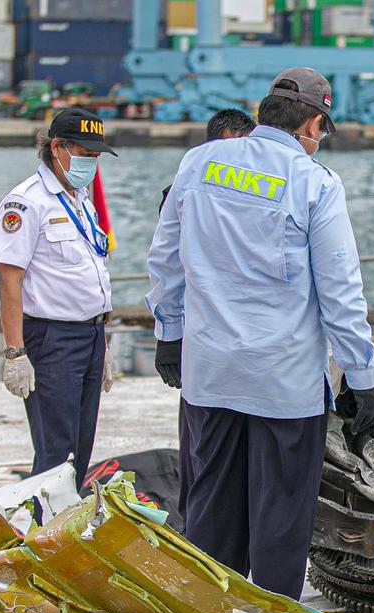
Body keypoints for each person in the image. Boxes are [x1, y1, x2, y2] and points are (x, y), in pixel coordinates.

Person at [145, 68, 374, 599]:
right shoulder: (315, 182)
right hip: (284, 383)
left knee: (210, 506)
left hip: (210, 373)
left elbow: (165, 260)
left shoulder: (200, 162)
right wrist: (361, 376)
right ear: (314, 124)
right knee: (281, 515)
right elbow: (341, 291)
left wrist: (169, 333)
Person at [0, 108, 117, 485]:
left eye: (95, 156)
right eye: (84, 154)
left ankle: (67, 518)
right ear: (57, 148)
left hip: (91, 335)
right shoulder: (26, 202)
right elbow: (9, 279)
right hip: (53, 338)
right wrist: (15, 353)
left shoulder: (81, 199)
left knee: (81, 448)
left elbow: (91, 272)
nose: (91, 163)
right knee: (56, 454)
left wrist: (103, 343)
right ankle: (43, 520)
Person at [154, 107, 257, 528]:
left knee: (249, 459)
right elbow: (167, 268)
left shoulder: (262, 195)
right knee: (200, 454)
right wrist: (168, 335)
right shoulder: (183, 191)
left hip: (253, 347)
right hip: (203, 342)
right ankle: (196, 534)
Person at [158, 108, 257, 212]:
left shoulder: (258, 191)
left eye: (247, 147)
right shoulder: (182, 193)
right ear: (211, 147)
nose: (241, 156)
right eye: (231, 147)